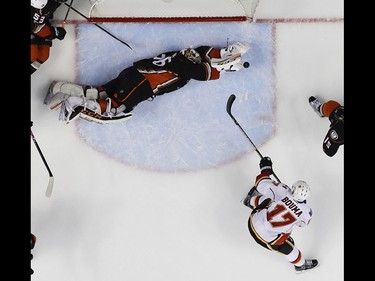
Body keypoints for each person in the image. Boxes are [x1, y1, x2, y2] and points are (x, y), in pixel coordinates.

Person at [43, 42, 250, 124]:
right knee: (113, 109)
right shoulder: (186, 67)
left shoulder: (183, 55)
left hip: (133, 73)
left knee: (99, 93)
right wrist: (223, 67)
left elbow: (203, 53)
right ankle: (72, 103)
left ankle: (60, 88)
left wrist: (223, 53)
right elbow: (204, 73)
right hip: (141, 84)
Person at [243, 156, 318, 273]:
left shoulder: (282, 190)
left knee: (268, 199)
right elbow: (303, 224)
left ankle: (249, 201)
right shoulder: (307, 212)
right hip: (268, 240)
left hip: (253, 222)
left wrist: (266, 169)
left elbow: (260, 183)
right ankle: (300, 266)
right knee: (290, 248)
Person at [31, 0, 68, 74]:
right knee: (32, 55)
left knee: (44, 55)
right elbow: (35, 28)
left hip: (40, 26)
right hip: (35, 28)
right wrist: (55, 32)